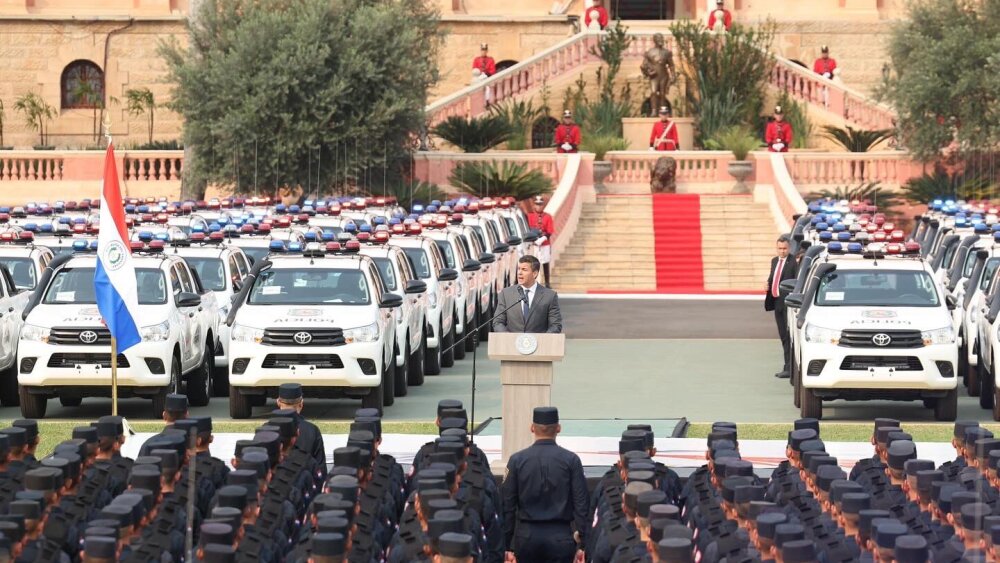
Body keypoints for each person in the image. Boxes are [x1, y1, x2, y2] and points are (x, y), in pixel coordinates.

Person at [502, 407, 588, 563]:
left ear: (532, 428)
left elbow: (507, 506)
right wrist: (584, 542)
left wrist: (506, 545)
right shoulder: (571, 460)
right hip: (560, 536)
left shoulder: (517, 460)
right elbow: (581, 504)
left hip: (527, 537)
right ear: (558, 428)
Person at [492, 255, 562, 334]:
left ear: (534, 273)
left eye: (524, 269)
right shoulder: (506, 294)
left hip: (539, 344)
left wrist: (543, 340)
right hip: (512, 344)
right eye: (518, 269)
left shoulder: (549, 296)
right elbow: (498, 322)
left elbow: (555, 325)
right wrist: (507, 336)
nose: (519, 273)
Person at [764, 235, 797, 379]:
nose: (782, 251)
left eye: (784, 249)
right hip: (776, 302)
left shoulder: (794, 263)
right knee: (783, 336)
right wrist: (767, 284)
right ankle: (787, 366)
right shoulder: (774, 261)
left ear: (789, 248)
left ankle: (789, 368)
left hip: (788, 304)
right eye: (779, 248)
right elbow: (773, 278)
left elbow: (796, 282)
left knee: (789, 336)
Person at [527, 196, 554, 287]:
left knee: (545, 262)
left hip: (544, 243)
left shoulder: (548, 216)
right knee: (533, 263)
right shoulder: (530, 216)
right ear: (534, 205)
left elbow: (550, 231)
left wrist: (542, 239)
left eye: (541, 204)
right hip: (533, 243)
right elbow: (528, 229)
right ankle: (533, 282)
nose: (539, 206)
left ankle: (547, 282)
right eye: (537, 204)